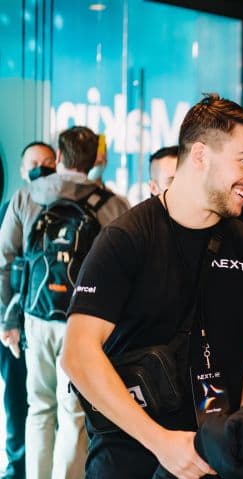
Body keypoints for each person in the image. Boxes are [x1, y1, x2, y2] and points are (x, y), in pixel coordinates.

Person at [60, 94, 243, 478]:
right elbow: (78, 354)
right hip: (129, 456)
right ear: (200, 155)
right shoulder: (126, 237)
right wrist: (161, 442)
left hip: (215, 459)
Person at [0, 127, 129, 479]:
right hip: (86, 324)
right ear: (94, 161)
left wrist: (6, 320)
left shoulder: (26, 197)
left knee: (39, 407)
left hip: (36, 318)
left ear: (59, 156)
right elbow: (128, 269)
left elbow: (5, 261)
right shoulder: (113, 204)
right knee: (73, 413)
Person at [0, 141, 57, 479]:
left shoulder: (66, 208)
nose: (41, 167)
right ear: (23, 170)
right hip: (15, 323)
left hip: (50, 322)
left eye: (48, 161)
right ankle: (16, 465)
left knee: (49, 403)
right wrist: (6, 319)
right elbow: (4, 267)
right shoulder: (12, 206)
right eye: (34, 162)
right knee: (16, 399)